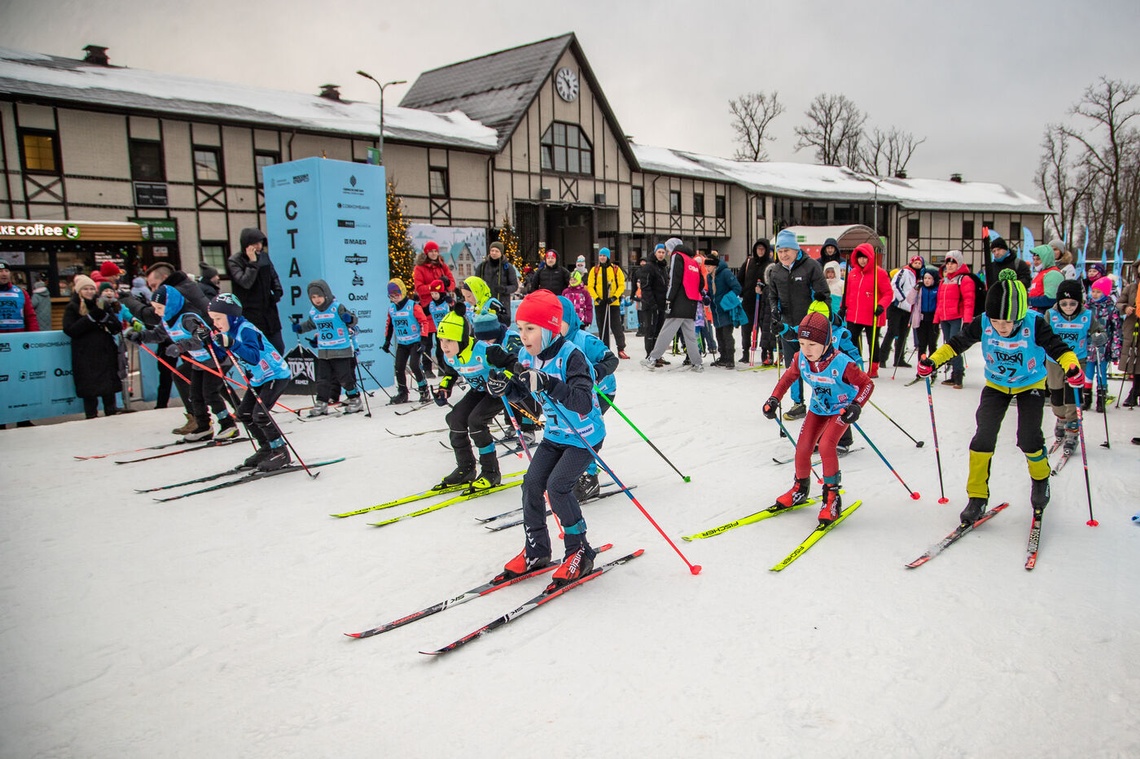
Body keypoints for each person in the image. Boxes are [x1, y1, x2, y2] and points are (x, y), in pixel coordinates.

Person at [916, 269, 1082, 525]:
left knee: (1028, 438)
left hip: (1030, 386)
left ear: (1019, 316)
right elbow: (957, 342)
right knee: (983, 437)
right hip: (996, 385)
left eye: (1006, 322)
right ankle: (977, 497)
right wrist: (933, 361)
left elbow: (1060, 349)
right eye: (996, 321)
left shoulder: (1034, 323)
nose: (1000, 327)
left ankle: (1040, 480)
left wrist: (1072, 367)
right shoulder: (984, 321)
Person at [485, 289, 606, 587]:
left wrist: (549, 383)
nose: (524, 336)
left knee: (558, 488)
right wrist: (506, 389)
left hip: (584, 437)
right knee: (531, 484)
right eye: (521, 328)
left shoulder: (571, 357)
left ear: (551, 329)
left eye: (531, 329)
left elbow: (581, 401)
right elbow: (529, 397)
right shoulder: (529, 356)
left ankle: (580, 551)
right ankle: (537, 550)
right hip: (555, 434)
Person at [762, 310, 873, 524]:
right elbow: (787, 379)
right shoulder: (800, 359)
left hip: (841, 409)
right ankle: (800, 488)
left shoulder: (843, 363)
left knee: (826, 446)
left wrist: (857, 405)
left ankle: (832, 497)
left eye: (812, 344)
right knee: (803, 447)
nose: (806, 350)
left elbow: (867, 384)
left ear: (826, 342)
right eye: (802, 343)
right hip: (818, 408)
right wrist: (774, 399)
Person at [130, 283, 239, 440]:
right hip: (199, 361)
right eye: (154, 307)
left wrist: (180, 346)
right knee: (195, 394)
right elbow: (158, 335)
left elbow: (200, 337)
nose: (156, 312)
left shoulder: (188, 318)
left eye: (159, 307)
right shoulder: (167, 320)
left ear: (170, 305)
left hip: (216, 358)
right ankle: (204, 426)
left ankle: (228, 425)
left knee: (210, 393)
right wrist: (140, 336)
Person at [433, 302, 523, 491]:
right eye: (441, 340)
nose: (444, 346)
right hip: (478, 390)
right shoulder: (450, 355)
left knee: (476, 421)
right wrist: (444, 388)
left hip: (496, 392)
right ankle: (465, 468)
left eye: (449, 340)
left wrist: (504, 380)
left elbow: (513, 363)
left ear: (462, 339)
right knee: (455, 418)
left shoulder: (485, 350)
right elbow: (450, 373)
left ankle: (491, 472)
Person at [204, 293, 292, 471]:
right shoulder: (228, 332)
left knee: (260, 414)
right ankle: (267, 448)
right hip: (260, 378)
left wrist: (232, 343)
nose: (216, 323)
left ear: (232, 316)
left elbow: (252, 357)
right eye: (213, 319)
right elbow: (221, 355)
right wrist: (209, 342)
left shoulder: (246, 330)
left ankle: (280, 451)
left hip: (276, 374)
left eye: (219, 318)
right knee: (243, 414)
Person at [558, 295, 618, 500]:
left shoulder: (584, 340)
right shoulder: (553, 344)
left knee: (584, 430)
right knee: (569, 430)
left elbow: (611, 359)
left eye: (560, 321)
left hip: (602, 391)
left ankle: (590, 477)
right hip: (576, 395)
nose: (555, 327)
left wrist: (595, 372)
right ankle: (573, 471)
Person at [767, 229, 829, 419]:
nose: (784, 255)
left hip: (809, 326)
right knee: (792, 365)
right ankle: (798, 403)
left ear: (796, 250)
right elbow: (773, 295)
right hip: (787, 326)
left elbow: (823, 296)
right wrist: (774, 312)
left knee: (817, 365)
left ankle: (824, 401)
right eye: (780, 251)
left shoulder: (810, 266)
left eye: (787, 250)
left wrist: (818, 318)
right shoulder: (776, 271)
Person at [1044, 280, 1105, 453]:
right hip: (1055, 360)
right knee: (1055, 394)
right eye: (1064, 303)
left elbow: (1098, 330)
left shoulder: (1086, 315)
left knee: (1073, 396)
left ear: (1079, 302)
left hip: (1078, 360)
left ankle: (1072, 429)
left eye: (1073, 303)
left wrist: (1099, 336)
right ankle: (1061, 418)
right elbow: (1043, 332)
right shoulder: (1051, 314)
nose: (1068, 307)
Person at [292, 279, 362, 417]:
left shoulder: (337, 307)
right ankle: (321, 403)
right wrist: (300, 328)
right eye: (313, 297)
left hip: (341, 349)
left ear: (326, 294)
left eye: (319, 296)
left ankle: (354, 399)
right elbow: (311, 324)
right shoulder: (314, 312)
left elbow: (353, 320)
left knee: (344, 377)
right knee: (322, 378)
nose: (317, 300)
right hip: (324, 351)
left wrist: (349, 319)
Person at [61, 274, 122, 418]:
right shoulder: (72, 307)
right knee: (89, 391)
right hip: (84, 354)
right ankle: (91, 418)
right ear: (78, 291)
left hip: (104, 351)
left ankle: (112, 415)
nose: (89, 291)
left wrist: (107, 319)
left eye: (91, 288)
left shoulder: (101, 303)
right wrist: (90, 318)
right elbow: (70, 330)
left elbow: (116, 327)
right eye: (85, 289)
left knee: (108, 389)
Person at [641, 240, 706, 372]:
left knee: (666, 332)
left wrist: (669, 299)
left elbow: (675, 279)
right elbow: (701, 282)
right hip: (691, 302)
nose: (668, 252)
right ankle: (697, 363)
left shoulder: (678, 256)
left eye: (667, 249)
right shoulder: (692, 260)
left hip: (678, 302)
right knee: (690, 335)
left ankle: (652, 359)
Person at [226, 228, 285, 353]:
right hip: (249, 312)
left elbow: (273, 275)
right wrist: (252, 262)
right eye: (255, 243)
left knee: (278, 347)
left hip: (268, 310)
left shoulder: (264, 257)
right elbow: (245, 282)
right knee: (256, 348)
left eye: (261, 243)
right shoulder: (235, 261)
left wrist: (278, 290)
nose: (259, 246)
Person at [842, 243, 891, 378]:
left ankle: (873, 367)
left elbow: (888, 293)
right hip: (854, 314)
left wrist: (881, 305)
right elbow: (848, 293)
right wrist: (843, 307)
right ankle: (854, 365)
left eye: (865, 257)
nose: (862, 260)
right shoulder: (853, 274)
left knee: (873, 342)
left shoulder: (879, 273)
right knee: (851, 341)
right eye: (860, 257)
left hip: (872, 314)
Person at [382, 278, 433, 405]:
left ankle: (424, 390)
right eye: (391, 296)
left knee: (415, 365)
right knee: (399, 367)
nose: (394, 298)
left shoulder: (413, 306)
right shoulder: (392, 309)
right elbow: (390, 326)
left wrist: (423, 341)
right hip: (402, 343)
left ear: (403, 292)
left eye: (397, 295)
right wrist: (387, 341)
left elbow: (423, 322)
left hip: (415, 341)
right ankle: (402, 392)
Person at [933, 250, 976, 389]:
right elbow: (939, 302)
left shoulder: (964, 279)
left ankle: (958, 375)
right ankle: (953, 374)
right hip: (945, 318)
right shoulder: (943, 281)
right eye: (948, 262)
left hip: (957, 318)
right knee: (948, 346)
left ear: (959, 264)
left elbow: (969, 301)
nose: (950, 265)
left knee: (954, 346)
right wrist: (936, 319)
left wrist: (967, 320)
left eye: (953, 262)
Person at [879, 255, 925, 368]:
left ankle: (899, 358)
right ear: (911, 263)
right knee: (892, 332)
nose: (917, 265)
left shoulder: (920, 277)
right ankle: (882, 358)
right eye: (916, 263)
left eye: (919, 263)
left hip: (909, 309)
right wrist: (903, 300)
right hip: (897, 306)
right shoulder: (905, 272)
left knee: (903, 334)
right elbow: (895, 286)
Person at [1086, 276, 1121, 412]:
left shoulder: (1111, 308)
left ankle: (1101, 399)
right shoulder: (1087, 307)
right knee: (1088, 372)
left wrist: (1115, 349)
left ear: (1105, 293)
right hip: (1088, 346)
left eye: (1098, 292)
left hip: (1103, 347)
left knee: (1101, 373)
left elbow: (1116, 329)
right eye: (1093, 291)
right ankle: (1087, 397)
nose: (1094, 294)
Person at [587, 247, 629, 358]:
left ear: (608, 257)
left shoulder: (615, 269)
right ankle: (605, 349)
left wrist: (615, 297)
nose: (602, 257)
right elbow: (590, 286)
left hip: (612, 303)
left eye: (604, 256)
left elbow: (621, 285)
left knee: (616, 326)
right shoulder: (595, 270)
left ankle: (621, 348)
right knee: (603, 327)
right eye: (600, 255)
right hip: (600, 303)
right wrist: (596, 298)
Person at [737, 239, 774, 365]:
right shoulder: (748, 263)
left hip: (764, 303)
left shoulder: (770, 264)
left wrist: (763, 289)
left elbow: (772, 282)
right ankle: (745, 352)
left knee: (765, 329)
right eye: (758, 249)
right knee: (746, 329)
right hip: (748, 302)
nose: (760, 251)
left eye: (763, 249)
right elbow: (739, 279)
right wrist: (743, 292)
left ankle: (766, 353)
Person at [706, 250, 742, 368]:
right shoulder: (709, 277)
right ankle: (723, 357)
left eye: (709, 265)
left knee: (727, 335)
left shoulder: (725, 273)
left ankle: (730, 358)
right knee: (719, 334)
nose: (707, 268)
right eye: (706, 265)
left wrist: (726, 300)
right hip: (716, 310)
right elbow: (711, 293)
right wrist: (707, 298)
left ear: (715, 265)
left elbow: (737, 288)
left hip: (726, 309)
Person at [474, 241, 518, 326]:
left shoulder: (508, 267)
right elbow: (475, 283)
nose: (494, 253)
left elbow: (514, 286)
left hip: (502, 304)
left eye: (497, 251)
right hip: (484, 304)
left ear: (501, 253)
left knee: (501, 329)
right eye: (492, 250)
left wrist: (505, 289)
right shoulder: (482, 266)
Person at [907, 267, 941, 377]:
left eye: (929, 278)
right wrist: (915, 289)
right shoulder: (920, 288)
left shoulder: (938, 288)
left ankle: (933, 367)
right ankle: (921, 368)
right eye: (925, 278)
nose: (927, 280)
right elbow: (910, 300)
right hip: (921, 320)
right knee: (922, 345)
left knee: (932, 345)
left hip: (933, 320)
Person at [1116, 261, 1140, 407]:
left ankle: (1135, 392)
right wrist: (1125, 308)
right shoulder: (1131, 288)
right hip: (1133, 327)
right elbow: (1119, 302)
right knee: (1134, 360)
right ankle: (1134, 391)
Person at [640, 244, 669, 361]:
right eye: (659, 252)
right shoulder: (649, 267)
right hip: (651, 305)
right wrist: (652, 303)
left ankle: (657, 354)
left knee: (659, 331)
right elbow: (645, 287)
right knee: (650, 330)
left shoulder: (663, 267)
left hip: (661, 304)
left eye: (663, 252)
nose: (661, 254)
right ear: (655, 253)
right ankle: (650, 355)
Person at [412, 240, 457, 304]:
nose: (434, 253)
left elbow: (453, 285)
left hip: (443, 301)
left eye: (436, 251)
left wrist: (448, 283)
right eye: (431, 251)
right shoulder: (419, 268)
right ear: (426, 253)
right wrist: (435, 286)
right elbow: (419, 288)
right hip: (427, 303)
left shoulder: (442, 266)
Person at [0, 261, 39, 332]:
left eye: (6, 271)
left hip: (18, 338)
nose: (4, 274)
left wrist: (34, 336)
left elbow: (30, 317)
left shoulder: (21, 293)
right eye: (0, 271)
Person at [1027, 243, 1063, 312]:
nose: (1035, 262)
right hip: (1036, 312)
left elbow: (1051, 299)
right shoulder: (1041, 273)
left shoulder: (1053, 274)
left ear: (1046, 258)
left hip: (1045, 314)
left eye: (1038, 259)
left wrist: (1028, 301)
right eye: (1034, 259)